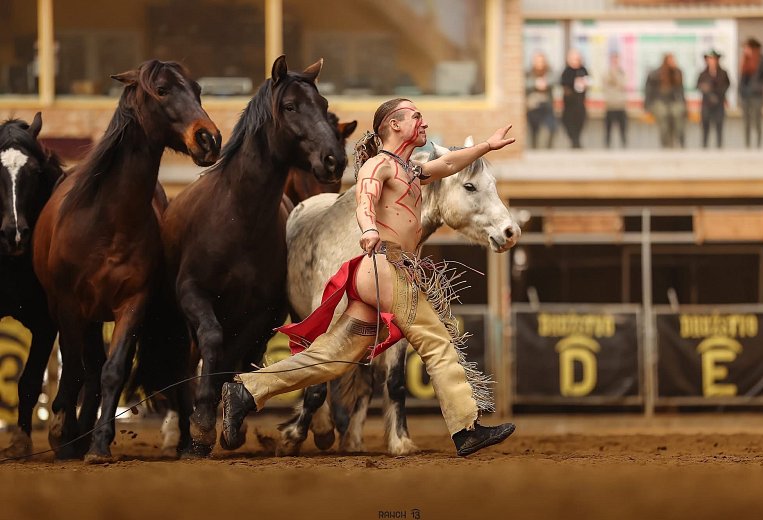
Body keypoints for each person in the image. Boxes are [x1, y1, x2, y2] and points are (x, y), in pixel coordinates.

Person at [221, 98, 517, 456]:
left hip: (379, 275)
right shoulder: (380, 165)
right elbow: (366, 199)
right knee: (436, 340)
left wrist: (487, 145)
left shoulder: (412, 170)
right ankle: (466, 428)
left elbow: (451, 163)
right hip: (384, 268)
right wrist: (369, 228)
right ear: (394, 125)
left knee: (331, 357)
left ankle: (246, 391)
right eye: (416, 117)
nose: (423, 123)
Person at [645, 53, 686, 148]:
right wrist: (647, 106)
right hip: (660, 101)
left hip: (673, 101)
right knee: (663, 115)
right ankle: (666, 143)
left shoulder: (677, 73)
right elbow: (649, 91)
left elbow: (681, 91)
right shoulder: (655, 74)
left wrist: (684, 105)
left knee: (677, 114)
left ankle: (680, 141)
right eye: (670, 60)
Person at [739, 37, 763, 148]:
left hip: (757, 96)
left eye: (747, 48)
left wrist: (758, 85)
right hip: (745, 96)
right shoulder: (745, 60)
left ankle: (758, 145)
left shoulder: (762, 60)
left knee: (757, 121)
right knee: (746, 122)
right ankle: (747, 145)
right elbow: (742, 79)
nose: (745, 50)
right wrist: (741, 91)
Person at [696, 49, 731, 149]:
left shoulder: (723, 73)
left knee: (719, 126)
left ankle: (719, 146)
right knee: (705, 126)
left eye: (713, 59)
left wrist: (719, 93)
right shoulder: (703, 74)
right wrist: (706, 90)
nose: (711, 61)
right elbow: (698, 86)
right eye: (710, 59)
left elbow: (727, 85)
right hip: (707, 104)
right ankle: (704, 147)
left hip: (719, 103)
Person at [525, 52, 557, 149]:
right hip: (533, 106)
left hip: (547, 105)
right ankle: (534, 148)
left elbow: (555, 80)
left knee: (552, 127)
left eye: (541, 61)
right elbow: (523, 84)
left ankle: (548, 149)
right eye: (537, 61)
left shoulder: (549, 72)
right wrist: (535, 84)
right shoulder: (529, 73)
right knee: (534, 129)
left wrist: (545, 83)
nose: (540, 63)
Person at [560, 49, 590, 149]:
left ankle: (577, 141)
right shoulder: (567, 71)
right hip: (569, 103)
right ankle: (574, 140)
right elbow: (564, 84)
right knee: (569, 122)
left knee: (580, 121)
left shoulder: (583, 70)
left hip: (580, 102)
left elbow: (588, 82)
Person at [602, 51, 627, 148]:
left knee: (623, 129)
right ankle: (607, 146)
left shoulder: (622, 72)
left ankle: (624, 146)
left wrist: (615, 78)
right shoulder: (607, 72)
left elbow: (622, 84)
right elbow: (606, 83)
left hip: (621, 104)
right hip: (610, 104)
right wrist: (612, 75)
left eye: (617, 59)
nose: (615, 61)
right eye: (613, 59)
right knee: (608, 129)